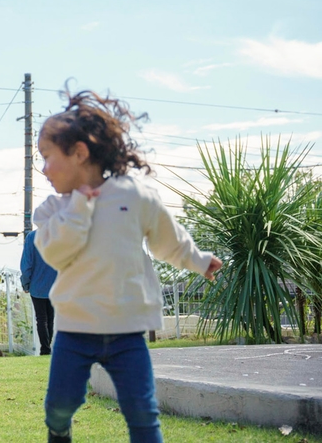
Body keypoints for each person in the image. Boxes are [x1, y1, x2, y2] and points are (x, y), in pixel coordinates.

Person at [33, 89, 221, 443]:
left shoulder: (135, 196)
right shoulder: (52, 210)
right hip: (75, 330)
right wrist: (78, 209)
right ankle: (60, 432)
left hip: (127, 332)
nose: (42, 169)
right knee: (59, 406)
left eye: (47, 156)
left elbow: (169, 240)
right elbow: (55, 253)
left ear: (79, 152)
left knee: (143, 413)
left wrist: (198, 260)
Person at [20, 230, 57, 355]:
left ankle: (45, 349)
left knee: (41, 319)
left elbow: (26, 265)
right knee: (50, 318)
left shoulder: (31, 237)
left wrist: (25, 284)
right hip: (55, 285)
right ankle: (47, 347)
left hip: (37, 286)